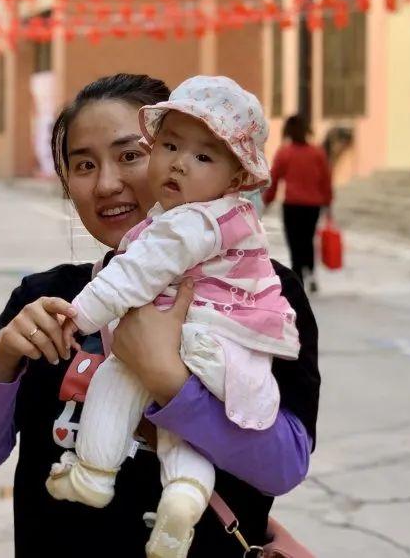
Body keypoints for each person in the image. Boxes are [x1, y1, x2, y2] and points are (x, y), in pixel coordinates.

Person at [0, 74, 320, 557]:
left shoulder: (260, 296)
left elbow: (283, 466)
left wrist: (169, 380)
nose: (106, 183)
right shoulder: (49, 300)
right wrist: (3, 356)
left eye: (131, 155)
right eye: (83, 165)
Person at [45, 77, 300, 557]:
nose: (180, 162)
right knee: (183, 436)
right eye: (169, 146)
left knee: (116, 379)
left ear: (234, 178)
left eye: (129, 155)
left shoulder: (187, 223)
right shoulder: (232, 222)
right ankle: (184, 494)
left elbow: (131, 278)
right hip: (230, 350)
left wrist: (78, 318)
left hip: (200, 336)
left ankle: (93, 473)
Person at [263, 116, 333, 292]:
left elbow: (275, 178)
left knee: (294, 243)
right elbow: (325, 180)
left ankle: (299, 278)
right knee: (308, 240)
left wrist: (267, 202)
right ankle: (311, 273)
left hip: (292, 205)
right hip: (312, 206)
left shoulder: (284, 152)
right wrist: (328, 202)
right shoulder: (317, 153)